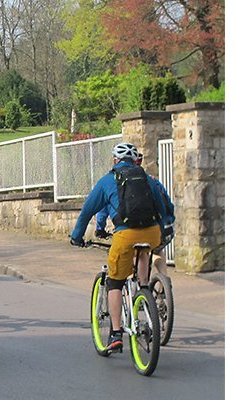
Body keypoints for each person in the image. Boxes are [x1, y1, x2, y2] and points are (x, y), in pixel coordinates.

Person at [69, 142, 168, 355]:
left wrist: (76, 236)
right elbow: (161, 208)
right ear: (135, 161)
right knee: (143, 252)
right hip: (152, 233)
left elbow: (87, 211)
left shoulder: (107, 181)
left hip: (125, 234)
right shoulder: (147, 179)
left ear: (114, 160)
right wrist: (162, 231)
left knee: (115, 282)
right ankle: (144, 293)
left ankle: (115, 334)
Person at [94, 153, 176, 280]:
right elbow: (167, 205)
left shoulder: (116, 184)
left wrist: (100, 229)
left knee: (133, 252)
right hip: (164, 228)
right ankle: (162, 284)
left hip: (135, 230)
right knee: (157, 251)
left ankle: (136, 288)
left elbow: (102, 211)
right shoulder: (151, 181)